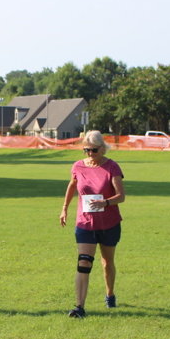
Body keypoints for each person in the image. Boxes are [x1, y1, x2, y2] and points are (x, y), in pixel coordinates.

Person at [59, 130, 125, 318]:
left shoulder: (112, 167)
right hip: (85, 223)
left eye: (93, 150)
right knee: (84, 262)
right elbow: (72, 185)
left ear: (102, 148)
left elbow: (121, 196)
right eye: (86, 150)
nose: (90, 153)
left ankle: (110, 294)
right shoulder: (78, 166)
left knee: (107, 263)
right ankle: (80, 307)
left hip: (109, 223)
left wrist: (105, 202)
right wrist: (64, 208)